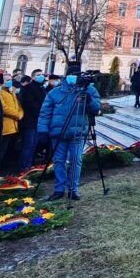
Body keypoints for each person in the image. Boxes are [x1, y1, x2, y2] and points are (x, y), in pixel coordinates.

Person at [38, 63, 101, 202]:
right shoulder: (55, 92)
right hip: (58, 132)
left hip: (78, 132)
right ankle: (59, 189)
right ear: (66, 76)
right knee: (59, 161)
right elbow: (45, 113)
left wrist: (89, 99)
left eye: (76, 76)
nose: (73, 78)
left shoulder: (89, 90)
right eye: (71, 75)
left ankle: (73, 189)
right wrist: (42, 130)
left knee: (76, 160)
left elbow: (96, 109)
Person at [18, 70, 47, 170]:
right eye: (38, 75)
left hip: (38, 122)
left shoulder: (41, 88)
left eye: (42, 74)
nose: (41, 76)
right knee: (28, 146)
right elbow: (29, 105)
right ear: (33, 77)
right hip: (30, 121)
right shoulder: (29, 88)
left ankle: (29, 165)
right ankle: (25, 167)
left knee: (34, 145)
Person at [0, 74, 24, 173]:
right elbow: (4, 108)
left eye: (10, 80)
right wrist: (17, 114)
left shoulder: (11, 92)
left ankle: (5, 169)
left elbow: (18, 105)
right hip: (5, 126)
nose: (9, 81)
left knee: (8, 149)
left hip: (13, 126)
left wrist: (20, 113)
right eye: (7, 80)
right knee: (1, 150)